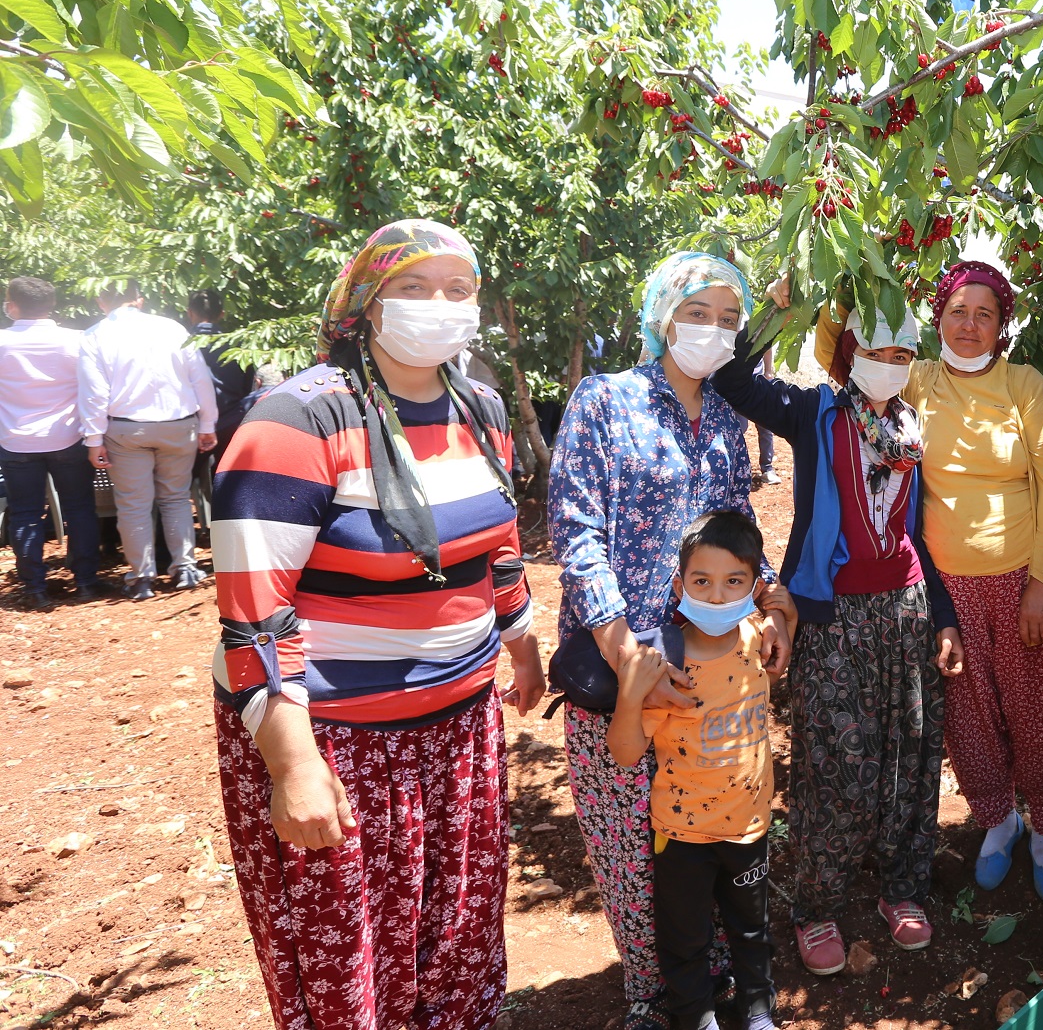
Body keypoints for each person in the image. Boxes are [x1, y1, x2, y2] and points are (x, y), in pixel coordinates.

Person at [209, 219, 546, 1030]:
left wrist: (522, 643)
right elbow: (254, 613)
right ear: (366, 299)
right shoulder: (294, 421)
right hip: (337, 738)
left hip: (459, 725)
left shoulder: (481, 406)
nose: (439, 306)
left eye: (457, 290)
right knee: (348, 959)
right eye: (413, 287)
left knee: (456, 932)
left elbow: (497, 548)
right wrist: (292, 763)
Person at [549, 251, 795, 1028]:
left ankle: (714, 978)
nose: (714, 331)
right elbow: (578, 533)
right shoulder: (605, 401)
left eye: (730, 319)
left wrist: (770, 600)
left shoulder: (726, 418)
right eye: (698, 313)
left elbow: (737, 532)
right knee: (632, 842)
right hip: (624, 665)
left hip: (711, 664)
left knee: (709, 826)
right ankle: (654, 997)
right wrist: (630, 658)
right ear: (661, 315)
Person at [814, 262, 1043, 903]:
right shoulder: (917, 381)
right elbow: (837, 354)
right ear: (938, 317)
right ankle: (997, 819)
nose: (969, 324)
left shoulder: (1024, 387)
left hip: (1022, 579)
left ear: (1001, 323)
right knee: (968, 712)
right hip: (941, 587)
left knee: (1038, 707)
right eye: (958, 311)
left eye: (984, 313)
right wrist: (837, 280)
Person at [715, 295, 963, 976]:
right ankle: (816, 903)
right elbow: (731, 377)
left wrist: (942, 615)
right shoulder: (813, 413)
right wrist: (772, 306)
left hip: (905, 611)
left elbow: (917, 533)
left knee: (910, 757)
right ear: (851, 355)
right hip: (835, 615)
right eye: (879, 353)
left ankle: (903, 887)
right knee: (835, 763)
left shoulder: (911, 426)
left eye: (903, 355)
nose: (891, 366)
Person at [610, 511, 778, 1030]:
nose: (719, 596)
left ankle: (757, 1013)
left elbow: (782, 610)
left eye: (735, 582)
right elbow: (625, 752)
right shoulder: (665, 664)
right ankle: (694, 1018)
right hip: (681, 837)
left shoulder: (758, 640)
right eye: (702, 582)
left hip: (749, 828)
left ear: (754, 587)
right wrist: (630, 696)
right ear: (680, 584)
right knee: (684, 939)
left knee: (751, 929)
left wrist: (781, 610)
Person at [77, 279, 217, 597]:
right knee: (176, 498)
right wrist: (208, 423)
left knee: (133, 505)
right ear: (138, 300)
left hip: (126, 430)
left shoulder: (94, 335)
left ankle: (141, 577)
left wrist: (93, 438)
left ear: (102, 301)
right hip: (179, 425)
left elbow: (94, 393)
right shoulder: (172, 328)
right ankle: (185, 568)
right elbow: (199, 377)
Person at [0, 277, 104, 604]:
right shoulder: (77, 340)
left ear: (12, 305)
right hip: (69, 438)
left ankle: (34, 589)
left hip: (16, 441)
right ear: (51, 305)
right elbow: (94, 389)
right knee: (80, 508)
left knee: (25, 513)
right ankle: (86, 582)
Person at [187, 290, 258, 453]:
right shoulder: (238, 347)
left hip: (189, 426)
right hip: (230, 425)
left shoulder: (179, 344)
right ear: (222, 314)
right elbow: (248, 388)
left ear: (189, 313)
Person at [749, 347, 778, 488]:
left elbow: (766, 347)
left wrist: (768, 371)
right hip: (735, 381)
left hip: (758, 381)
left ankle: (767, 468)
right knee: (737, 428)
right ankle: (740, 470)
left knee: (765, 426)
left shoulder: (758, 325)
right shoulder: (732, 325)